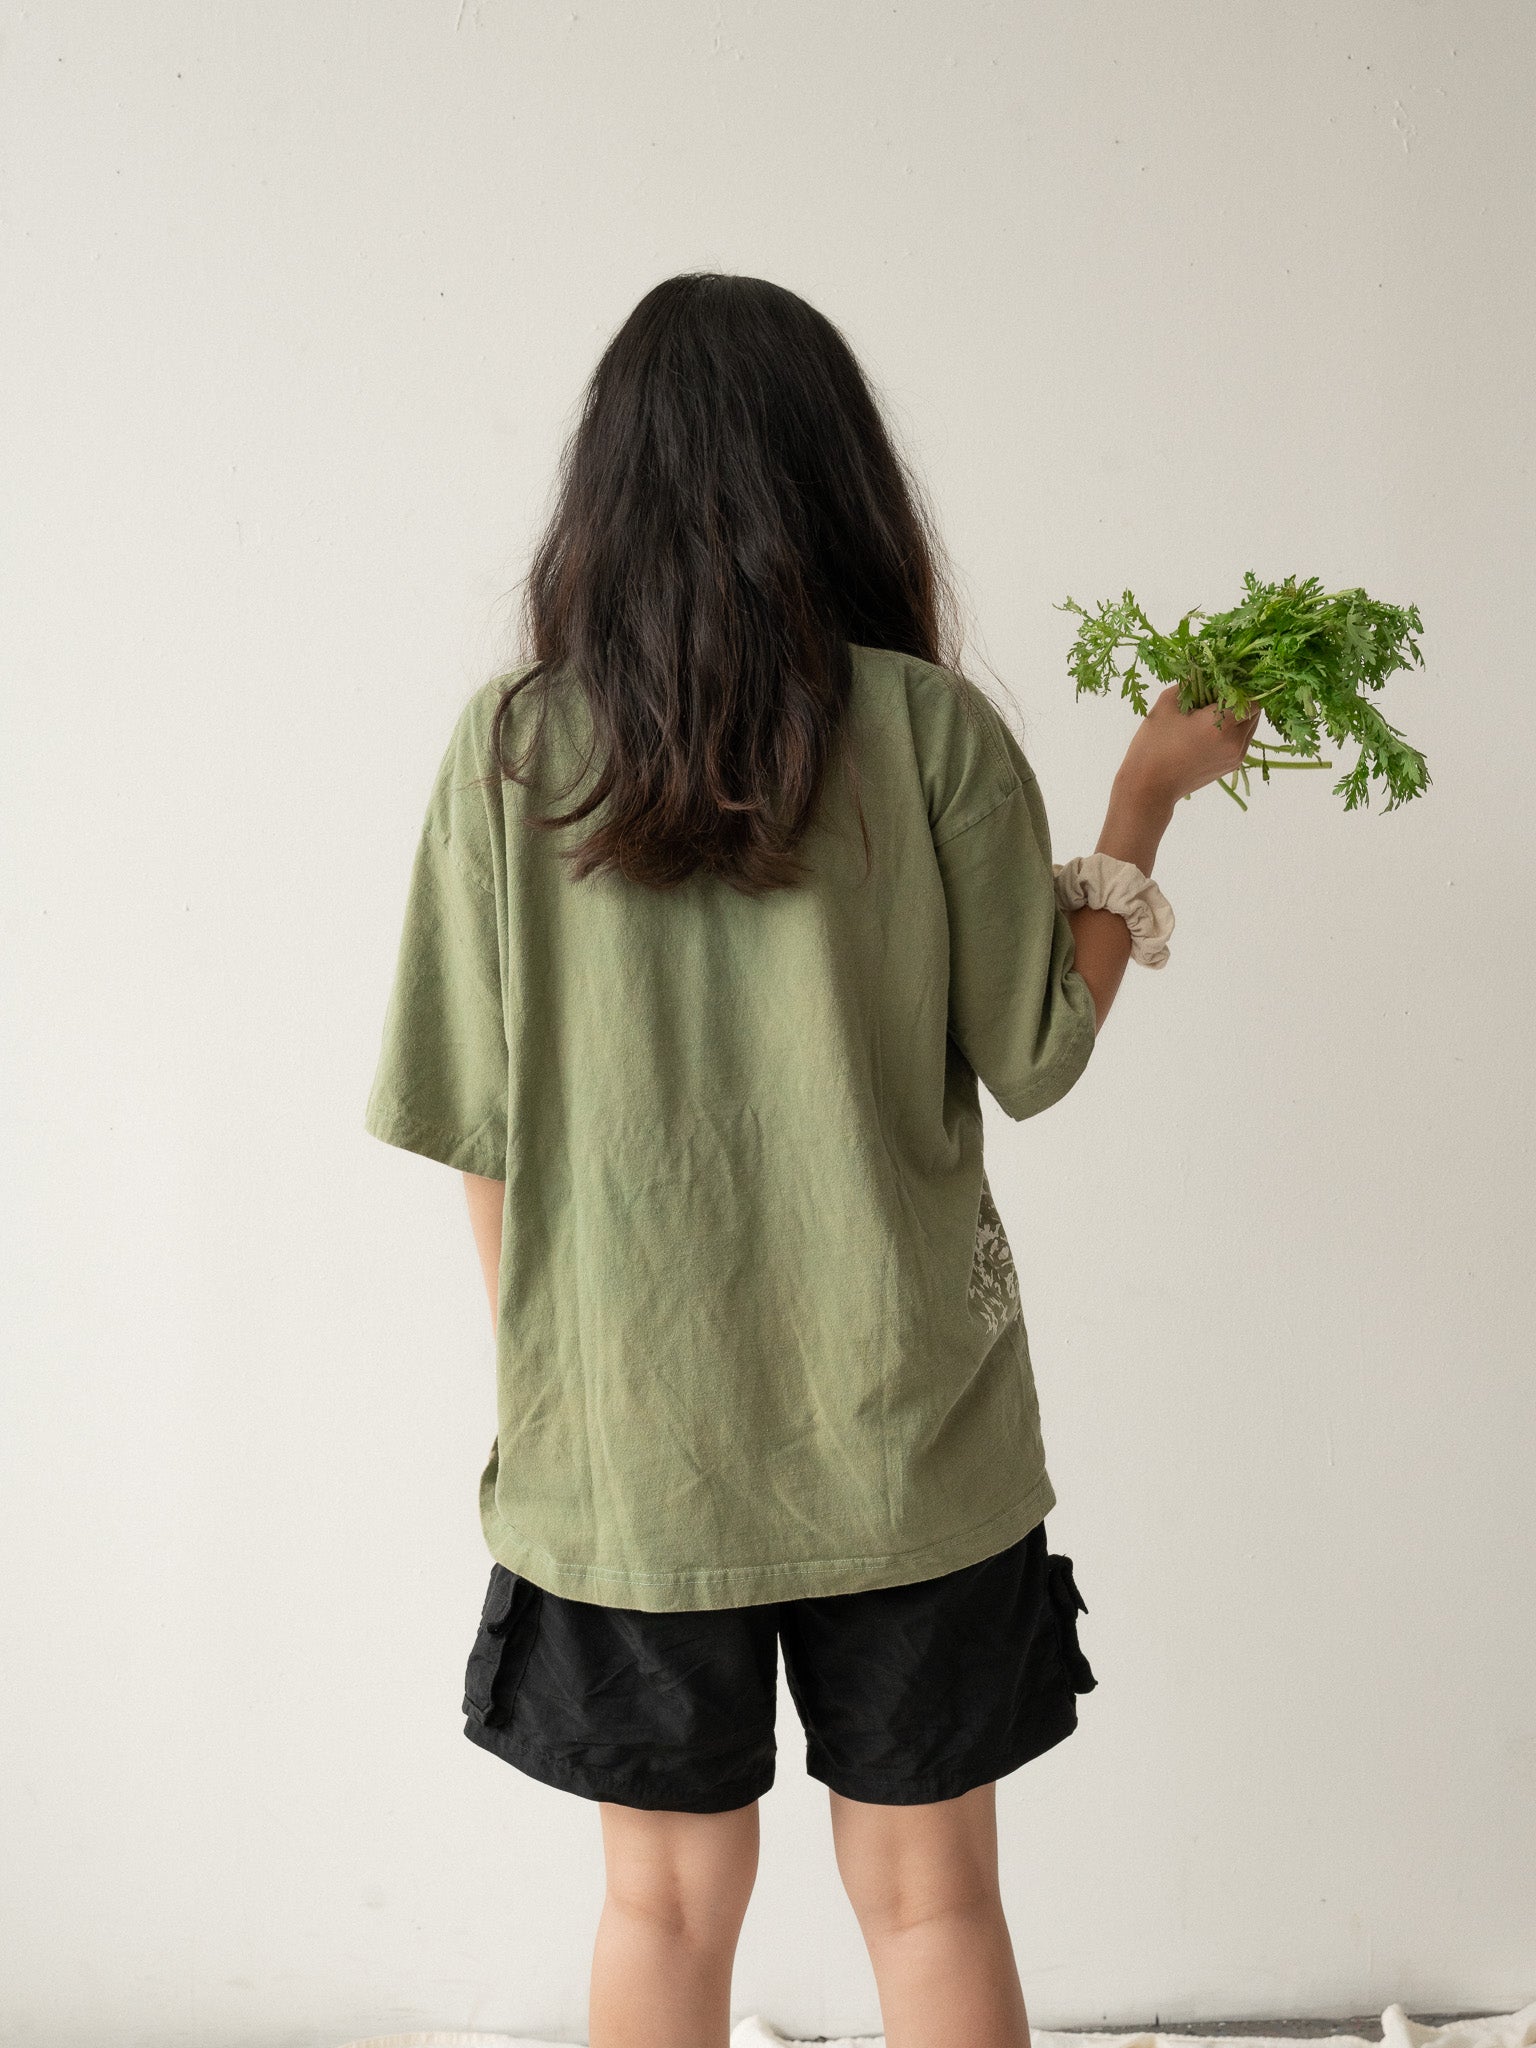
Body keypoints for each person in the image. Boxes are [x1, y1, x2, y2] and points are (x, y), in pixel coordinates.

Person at [364, 272, 1260, 2048]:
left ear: (604, 493)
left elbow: (479, 1127)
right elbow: (1038, 1052)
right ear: (840, 480)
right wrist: (1143, 808)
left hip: (626, 1451)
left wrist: (567, 1386)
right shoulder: (928, 732)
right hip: (907, 1432)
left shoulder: (512, 752)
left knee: (658, 1910)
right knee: (932, 1906)